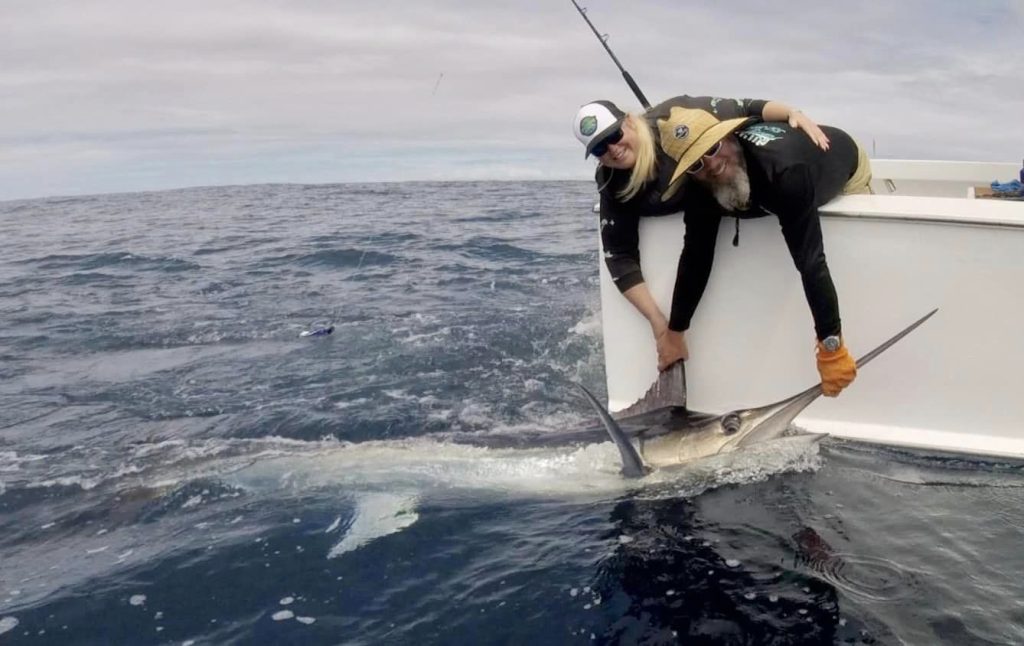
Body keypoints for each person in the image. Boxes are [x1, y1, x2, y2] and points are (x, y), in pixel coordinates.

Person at [573, 97, 868, 396]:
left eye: (713, 147)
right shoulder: (702, 187)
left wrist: (831, 346)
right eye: (696, 163)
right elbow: (696, 257)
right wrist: (674, 331)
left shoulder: (783, 171)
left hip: (845, 163)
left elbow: (811, 261)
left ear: (730, 135)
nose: (711, 165)